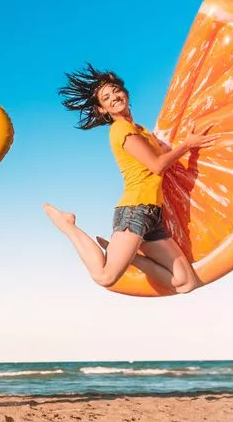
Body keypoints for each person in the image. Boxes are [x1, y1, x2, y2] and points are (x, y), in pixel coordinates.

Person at [44, 63, 217, 294]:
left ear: (125, 92)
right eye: (106, 98)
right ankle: (68, 225)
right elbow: (157, 166)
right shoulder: (121, 130)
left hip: (153, 215)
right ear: (102, 110)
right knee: (105, 276)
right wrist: (187, 145)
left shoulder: (140, 130)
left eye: (116, 91)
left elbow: (166, 156)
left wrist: (190, 140)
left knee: (185, 283)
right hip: (135, 211)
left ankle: (130, 256)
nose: (114, 97)